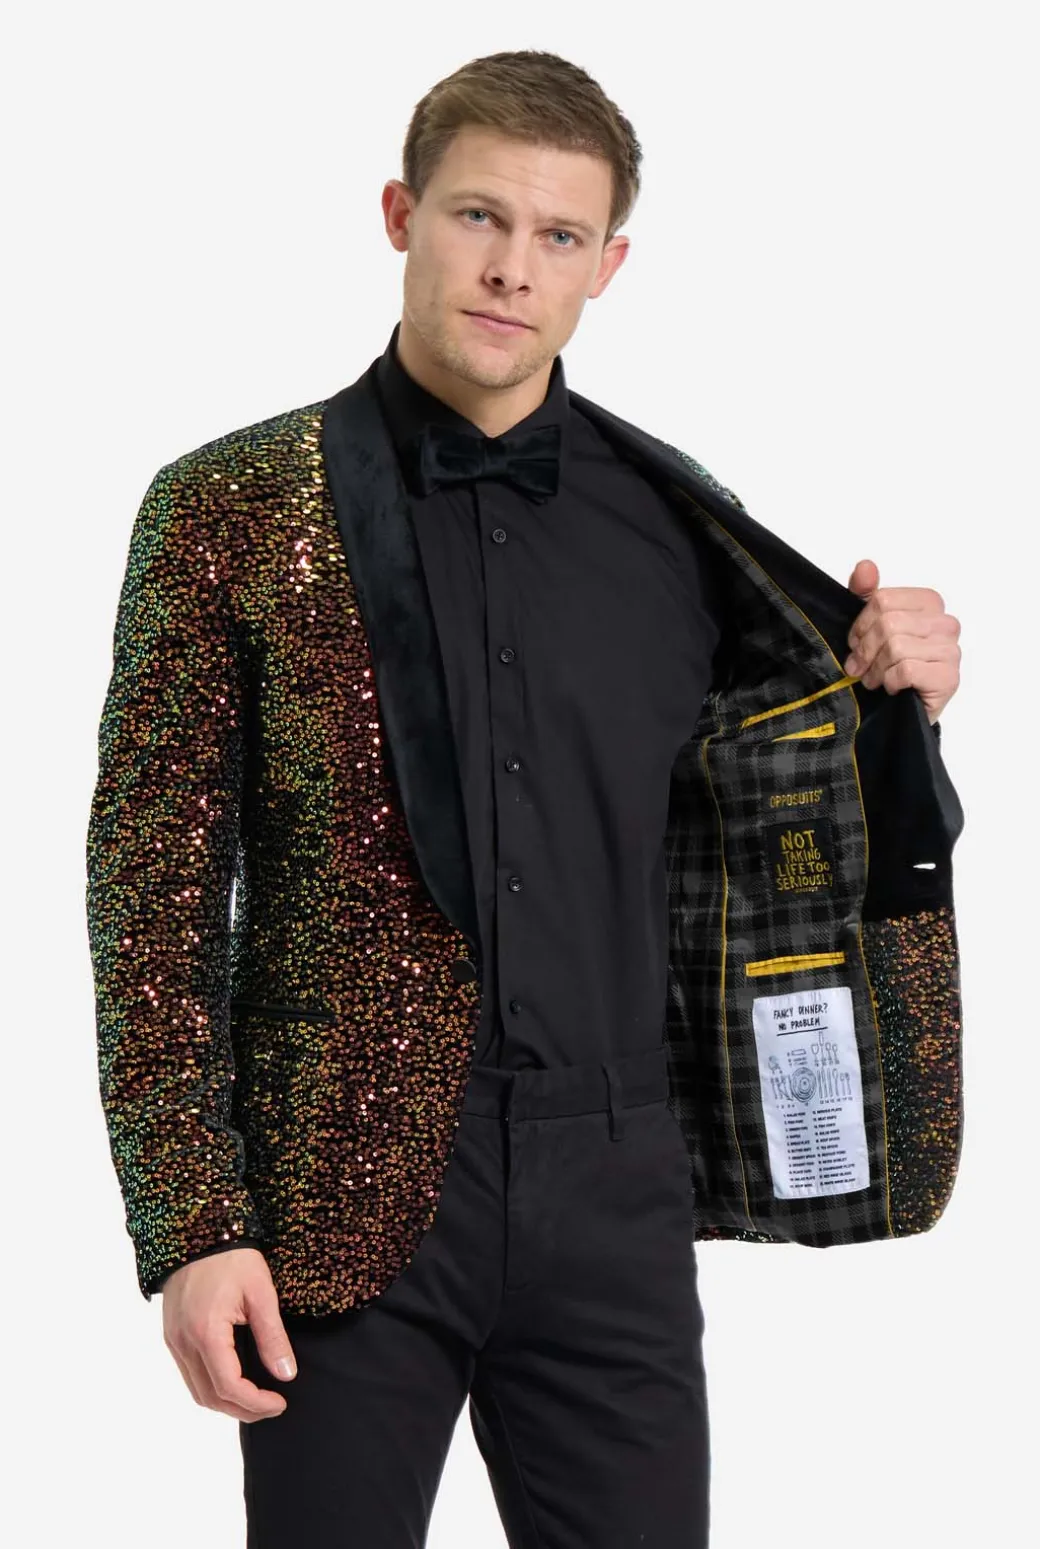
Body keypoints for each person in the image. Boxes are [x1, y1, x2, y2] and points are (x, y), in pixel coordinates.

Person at [85, 48, 964, 1549]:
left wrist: (901, 687)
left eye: (559, 235)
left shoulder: (682, 523)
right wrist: (191, 1223)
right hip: (340, 1190)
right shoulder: (224, 506)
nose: (512, 268)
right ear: (400, 216)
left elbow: (784, 795)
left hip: (618, 1181)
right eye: (478, 216)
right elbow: (148, 888)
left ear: (607, 265)